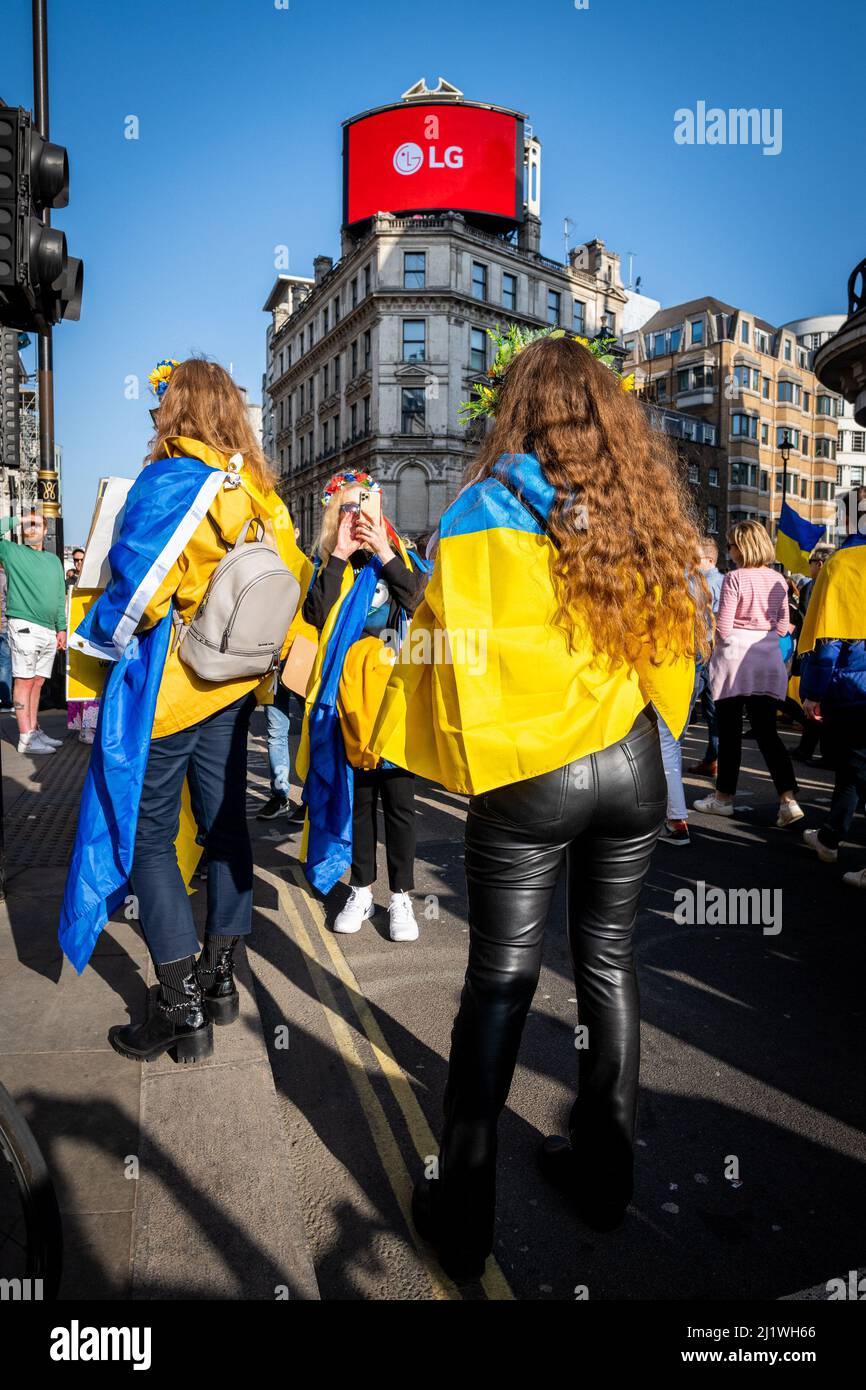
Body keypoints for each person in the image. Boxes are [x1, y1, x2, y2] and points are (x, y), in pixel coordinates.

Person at [371, 331, 702, 1280]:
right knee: (608, 962)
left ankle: (463, 1216)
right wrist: (655, 725)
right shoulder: (636, 513)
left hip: (531, 773)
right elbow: (674, 647)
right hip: (631, 758)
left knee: (500, 980)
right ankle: (603, 1178)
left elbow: (442, 647)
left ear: (519, 412)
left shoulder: (479, 512)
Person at [59, 358, 309, 1063]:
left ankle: (178, 1006)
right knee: (228, 824)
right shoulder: (259, 494)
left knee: (147, 834)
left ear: (176, 411)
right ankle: (220, 977)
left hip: (174, 695)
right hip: (233, 689)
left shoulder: (173, 481)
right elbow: (292, 585)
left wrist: (89, 637)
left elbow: (137, 599)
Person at [300, 472, 428, 942]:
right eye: (347, 510)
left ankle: (401, 899)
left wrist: (386, 552)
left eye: (364, 508)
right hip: (345, 705)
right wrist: (337, 556)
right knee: (359, 800)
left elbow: (418, 598)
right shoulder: (333, 566)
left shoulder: (400, 560)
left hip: (392, 699)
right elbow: (316, 615)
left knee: (399, 803)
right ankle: (360, 888)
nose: (357, 518)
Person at [694, 521, 803, 826]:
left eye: (730, 545)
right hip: (767, 659)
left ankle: (723, 798)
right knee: (768, 734)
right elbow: (783, 627)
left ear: (741, 547)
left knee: (729, 733)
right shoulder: (779, 581)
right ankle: (788, 800)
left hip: (735, 662)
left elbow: (724, 628)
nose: (728, 551)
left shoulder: (735, 579)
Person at [799, 488, 866, 889]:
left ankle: (829, 838)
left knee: (855, 767)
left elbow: (828, 643)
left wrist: (813, 691)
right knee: (853, 769)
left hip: (851, 687)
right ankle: (829, 836)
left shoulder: (842, 564)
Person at [0, 511, 67, 755]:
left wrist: (61, 628)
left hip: (49, 630)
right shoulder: (12, 552)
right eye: (28, 525)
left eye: (36, 524)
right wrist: (18, 519)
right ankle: (25, 737)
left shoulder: (54, 561)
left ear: (45, 530)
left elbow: (60, 596)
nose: (31, 528)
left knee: (38, 681)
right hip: (24, 625)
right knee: (24, 680)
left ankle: (33, 729)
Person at [687, 535, 723, 777]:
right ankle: (713, 759)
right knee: (713, 709)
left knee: (686, 703)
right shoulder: (724, 580)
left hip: (700, 647)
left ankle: (668, 757)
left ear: (709, 559)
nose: (691, 561)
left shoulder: (698, 582)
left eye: (695, 558)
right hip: (717, 650)